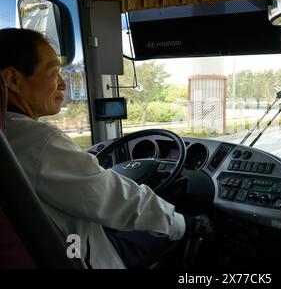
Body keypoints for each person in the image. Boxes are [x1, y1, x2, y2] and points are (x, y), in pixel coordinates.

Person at [0, 28, 210, 269]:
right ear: (13, 80)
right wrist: (183, 224)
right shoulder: (38, 140)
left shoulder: (10, 135)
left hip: (60, 245)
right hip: (80, 257)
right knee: (183, 232)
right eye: (54, 72)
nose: (62, 84)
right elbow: (116, 198)